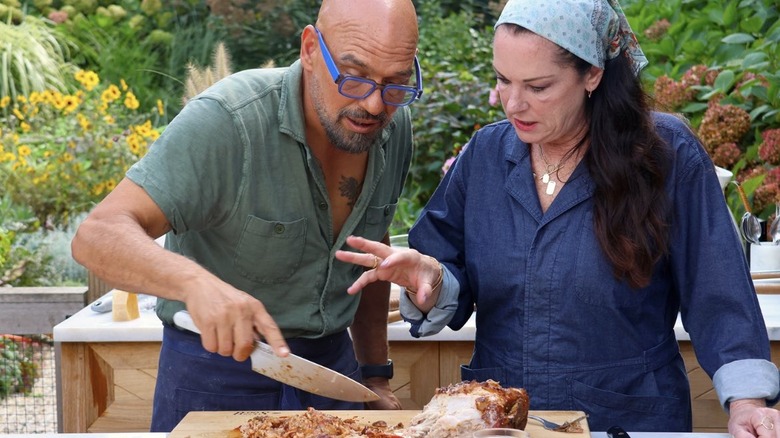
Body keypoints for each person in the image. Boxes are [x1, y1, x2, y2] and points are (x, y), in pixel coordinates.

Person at [335, 0, 780, 434]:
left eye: (538, 86)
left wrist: (747, 403)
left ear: (592, 74)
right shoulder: (486, 156)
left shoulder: (667, 154)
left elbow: (717, 291)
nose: (512, 104)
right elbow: (447, 272)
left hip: (630, 420)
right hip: (504, 421)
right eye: (503, 80)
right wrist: (429, 280)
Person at [71, 0, 421, 431]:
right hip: (215, 374)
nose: (373, 104)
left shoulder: (393, 126)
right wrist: (194, 283)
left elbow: (368, 256)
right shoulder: (227, 120)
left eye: (395, 85)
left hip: (334, 373)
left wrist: (374, 373)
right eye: (354, 77)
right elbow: (96, 234)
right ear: (310, 49)